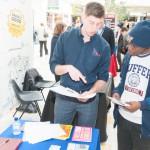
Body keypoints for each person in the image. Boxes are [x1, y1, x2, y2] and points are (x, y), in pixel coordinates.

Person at [50, 2, 111, 127]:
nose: (94, 29)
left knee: (85, 138)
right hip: (64, 97)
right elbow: (53, 66)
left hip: (89, 100)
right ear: (83, 17)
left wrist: (92, 91)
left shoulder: (104, 46)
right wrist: (68, 68)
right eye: (91, 22)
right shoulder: (65, 37)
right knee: (60, 135)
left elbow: (103, 77)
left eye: (99, 24)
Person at [112, 20, 150, 150]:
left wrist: (141, 104)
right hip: (123, 118)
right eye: (129, 44)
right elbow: (123, 80)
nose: (129, 48)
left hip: (143, 124)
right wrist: (116, 92)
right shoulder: (129, 56)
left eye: (134, 46)